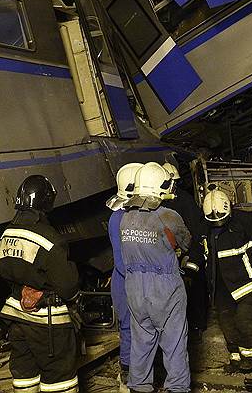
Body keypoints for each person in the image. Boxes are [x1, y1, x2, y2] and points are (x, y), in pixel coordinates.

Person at [0, 175, 81, 393]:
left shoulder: (7, 233)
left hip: (16, 318)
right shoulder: (50, 239)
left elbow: (5, 271)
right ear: (47, 202)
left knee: (25, 375)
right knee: (59, 379)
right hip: (47, 323)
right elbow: (68, 286)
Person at [120, 162, 192, 393]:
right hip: (164, 287)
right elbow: (186, 243)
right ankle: (177, 387)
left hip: (134, 288)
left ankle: (138, 386)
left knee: (141, 342)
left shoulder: (125, 218)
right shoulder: (168, 216)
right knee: (174, 343)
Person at [193, 189, 252, 374]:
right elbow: (198, 249)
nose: (218, 223)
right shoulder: (203, 226)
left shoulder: (244, 221)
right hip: (222, 287)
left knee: (245, 320)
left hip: (249, 283)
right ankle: (235, 357)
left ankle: (249, 358)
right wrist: (190, 266)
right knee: (227, 324)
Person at [107, 163, 144, 392]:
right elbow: (123, 263)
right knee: (131, 330)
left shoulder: (125, 215)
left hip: (129, 280)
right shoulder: (119, 219)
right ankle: (128, 377)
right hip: (127, 282)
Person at [161, 161, 209, 336]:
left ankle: (197, 325)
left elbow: (197, 230)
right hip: (169, 255)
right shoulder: (158, 201)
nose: (172, 186)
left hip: (188, 252)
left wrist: (192, 256)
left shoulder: (184, 200)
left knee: (195, 286)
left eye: (175, 182)